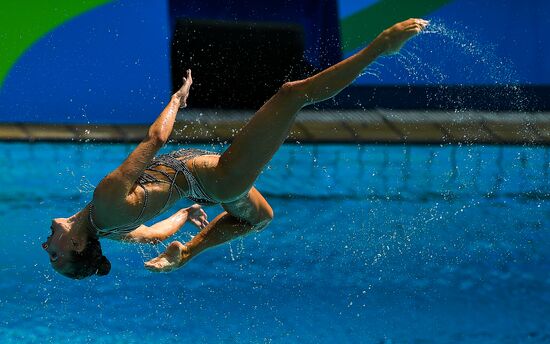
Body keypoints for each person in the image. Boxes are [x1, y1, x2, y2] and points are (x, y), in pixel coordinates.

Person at [42, 18, 429, 279]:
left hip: (208, 187)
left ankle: (188, 254)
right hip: (218, 176)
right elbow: (156, 140)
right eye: (55, 254)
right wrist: (178, 99)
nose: (46, 246)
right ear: (78, 243)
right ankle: (381, 46)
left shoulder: (109, 228)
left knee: (261, 218)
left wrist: (187, 212)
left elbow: (153, 233)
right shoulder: (106, 201)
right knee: (293, 94)